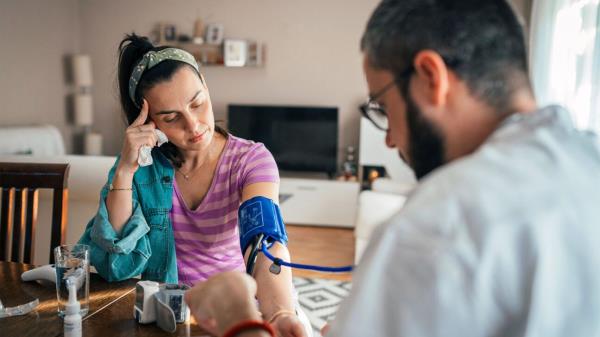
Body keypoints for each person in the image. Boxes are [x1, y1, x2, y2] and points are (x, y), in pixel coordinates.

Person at [184, 0, 600, 336]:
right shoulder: (587, 161)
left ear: (430, 76)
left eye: (382, 107)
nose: (389, 140)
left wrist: (240, 318)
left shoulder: (440, 222)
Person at [78, 34, 311, 337]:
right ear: (149, 122)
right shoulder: (142, 167)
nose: (194, 125)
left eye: (197, 103)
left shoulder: (252, 160)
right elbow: (115, 262)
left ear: (206, 85)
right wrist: (124, 170)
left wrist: (279, 313)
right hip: (168, 316)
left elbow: (265, 241)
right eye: (171, 117)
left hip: (235, 311)